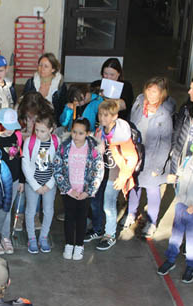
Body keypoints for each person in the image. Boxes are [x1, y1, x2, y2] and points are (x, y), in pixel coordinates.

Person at [157, 134, 193, 283]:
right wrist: (175, 178)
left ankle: (191, 266)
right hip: (181, 205)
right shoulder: (186, 162)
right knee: (176, 235)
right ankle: (170, 259)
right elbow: (180, 175)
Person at [125, 76, 175, 238]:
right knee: (134, 187)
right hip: (136, 155)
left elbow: (166, 143)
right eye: (149, 90)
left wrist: (158, 167)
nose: (151, 95)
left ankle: (152, 222)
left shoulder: (164, 115)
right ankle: (131, 213)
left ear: (162, 94)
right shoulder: (139, 104)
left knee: (153, 191)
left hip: (153, 160)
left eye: (155, 92)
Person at [53, 118, 103, 260]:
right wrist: (68, 189)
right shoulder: (64, 147)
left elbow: (98, 171)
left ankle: (79, 245)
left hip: (84, 193)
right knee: (69, 218)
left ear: (87, 133)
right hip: (69, 191)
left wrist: (88, 191)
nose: (76, 135)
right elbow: (57, 168)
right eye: (74, 132)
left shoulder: (93, 150)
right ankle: (69, 244)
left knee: (81, 219)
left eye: (80, 133)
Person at [93, 100, 138, 251]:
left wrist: (123, 177)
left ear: (115, 116)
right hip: (102, 171)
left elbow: (132, 158)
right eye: (100, 114)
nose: (102, 118)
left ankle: (110, 235)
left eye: (106, 115)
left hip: (116, 173)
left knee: (109, 205)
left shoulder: (122, 135)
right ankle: (98, 229)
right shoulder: (101, 129)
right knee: (97, 202)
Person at [22, 111, 59, 254]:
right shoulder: (29, 142)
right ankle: (31, 238)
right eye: (36, 130)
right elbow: (25, 164)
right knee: (30, 211)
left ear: (51, 129)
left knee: (48, 210)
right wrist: (35, 185)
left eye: (42, 131)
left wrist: (49, 184)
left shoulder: (56, 142)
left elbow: (58, 164)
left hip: (50, 183)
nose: (38, 133)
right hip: (33, 184)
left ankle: (43, 236)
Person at [0, 108, 24, 255]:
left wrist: (22, 181)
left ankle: (5, 237)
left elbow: (19, 159)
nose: (11, 130)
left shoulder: (16, 137)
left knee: (7, 211)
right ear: (0, 123)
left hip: (14, 180)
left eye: (13, 126)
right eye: (8, 126)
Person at [23, 52, 67, 122]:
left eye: (46, 66)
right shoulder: (31, 82)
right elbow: (24, 103)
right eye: (40, 65)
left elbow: (62, 107)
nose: (42, 69)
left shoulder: (60, 85)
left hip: (52, 122)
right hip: (32, 121)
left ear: (53, 69)